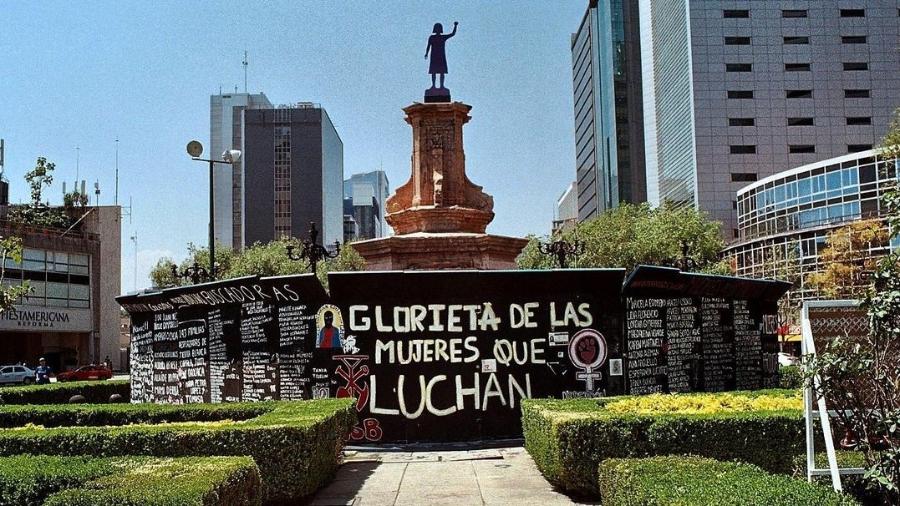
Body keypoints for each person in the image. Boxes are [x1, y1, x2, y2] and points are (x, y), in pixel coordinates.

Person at [425, 21, 458, 89]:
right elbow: (428, 46)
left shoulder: (443, 37)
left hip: (441, 56)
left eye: (439, 28)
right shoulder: (432, 37)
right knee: (433, 71)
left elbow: (452, 34)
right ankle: (433, 85)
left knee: (442, 71)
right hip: (434, 56)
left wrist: (455, 26)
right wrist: (426, 53)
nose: (438, 30)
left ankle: (442, 86)